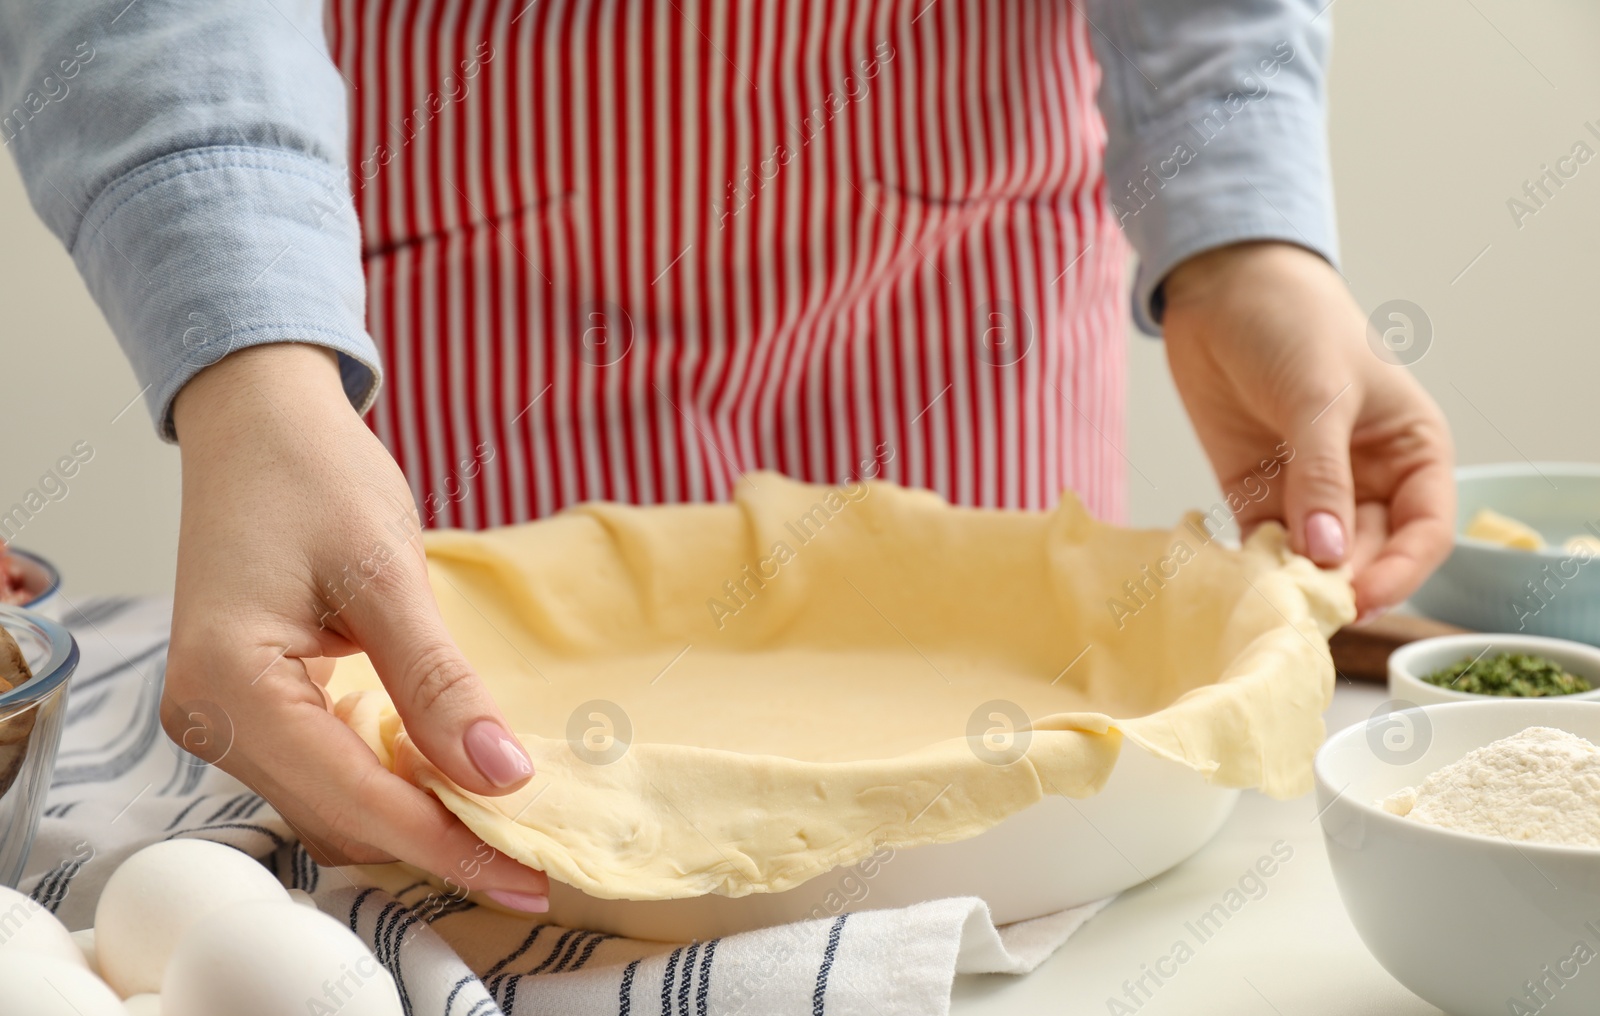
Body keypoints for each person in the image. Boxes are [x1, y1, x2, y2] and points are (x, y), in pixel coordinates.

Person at [0, 0, 1454, 914]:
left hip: (953, 292)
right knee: (439, 753)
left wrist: (1243, 226)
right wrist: (253, 362)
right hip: (461, 295)